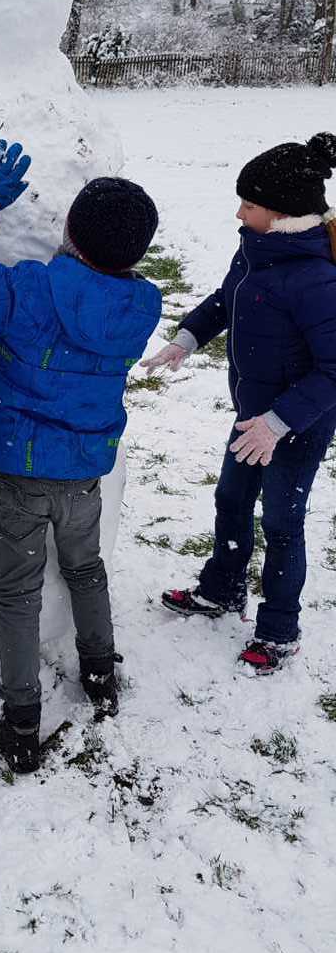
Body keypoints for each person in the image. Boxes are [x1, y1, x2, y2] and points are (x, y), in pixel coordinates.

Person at [0, 139, 161, 774]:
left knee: (20, 591)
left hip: (22, 474)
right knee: (87, 571)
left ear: (68, 230)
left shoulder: (30, 294)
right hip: (85, 472)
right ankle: (100, 672)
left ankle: (21, 717)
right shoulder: (141, 305)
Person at [144, 132, 336, 672]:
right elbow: (226, 299)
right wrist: (185, 339)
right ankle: (223, 588)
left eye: (248, 203)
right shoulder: (256, 248)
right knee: (231, 500)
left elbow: (333, 369)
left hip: (295, 427)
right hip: (253, 415)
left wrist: (278, 423)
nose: (238, 211)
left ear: (280, 213)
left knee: (281, 522)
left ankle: (279, 629)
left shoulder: (317, 279)